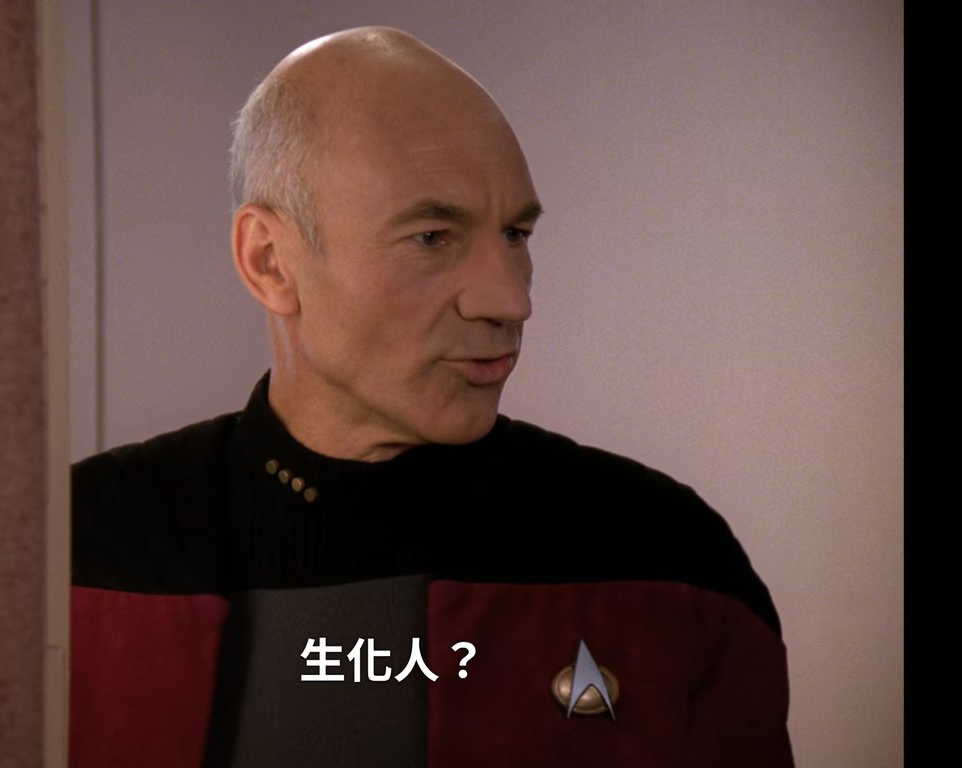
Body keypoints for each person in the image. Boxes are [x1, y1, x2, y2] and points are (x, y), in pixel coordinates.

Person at [70, 27, 791, 767]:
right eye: (433, 237)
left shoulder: (669, 556)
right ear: (271, 262)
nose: (510, 300)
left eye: (516, 234)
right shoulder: (81, 546)